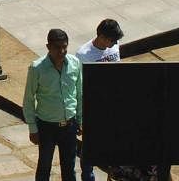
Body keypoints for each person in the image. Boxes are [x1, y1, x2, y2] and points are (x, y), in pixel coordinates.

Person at [23, 28, 83, 181]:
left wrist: (81, 120)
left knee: (69, 168)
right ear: (48, 47)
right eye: (57, 47)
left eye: (65, 46)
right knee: (44, 167)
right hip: (46, 126)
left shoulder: (75, 64)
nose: (61, 51)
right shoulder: (37, 68)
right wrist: (32, 128)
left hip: (69, 125)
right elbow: (29, 100)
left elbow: (79, 94)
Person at [77, 19, 124, 181]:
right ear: (102, 37)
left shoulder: (115, 46)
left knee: (115, 145)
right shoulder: (84, 54)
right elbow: (80, 85)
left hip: (114, 103)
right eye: (112, 40)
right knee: (89, 145)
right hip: (94, 104)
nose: (115, 43)